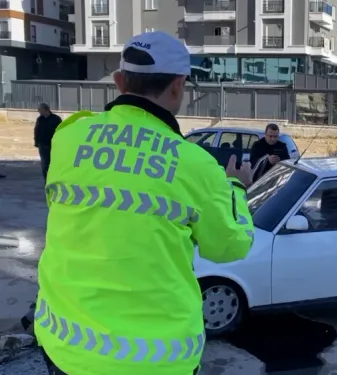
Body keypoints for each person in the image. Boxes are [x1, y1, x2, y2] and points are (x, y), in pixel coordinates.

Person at [34, 31, 255, 375]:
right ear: (179, 85)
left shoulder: (69, 136)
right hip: (156, 361)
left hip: (66, 346)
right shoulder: (195, 166)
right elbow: (231, 245)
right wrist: (236, 189)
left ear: (120, 81)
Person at [34, 103, 62, 180]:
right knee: (45, 164)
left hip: (54, 144)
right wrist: (36, 142)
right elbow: (36, 131)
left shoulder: (56, 118)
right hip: (43, 144)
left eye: (40, 109)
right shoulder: (40, 119)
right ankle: (46, 180)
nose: (38, 111)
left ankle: (55, 179)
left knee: (54, 163)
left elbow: (61, 131)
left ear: (46, 109)